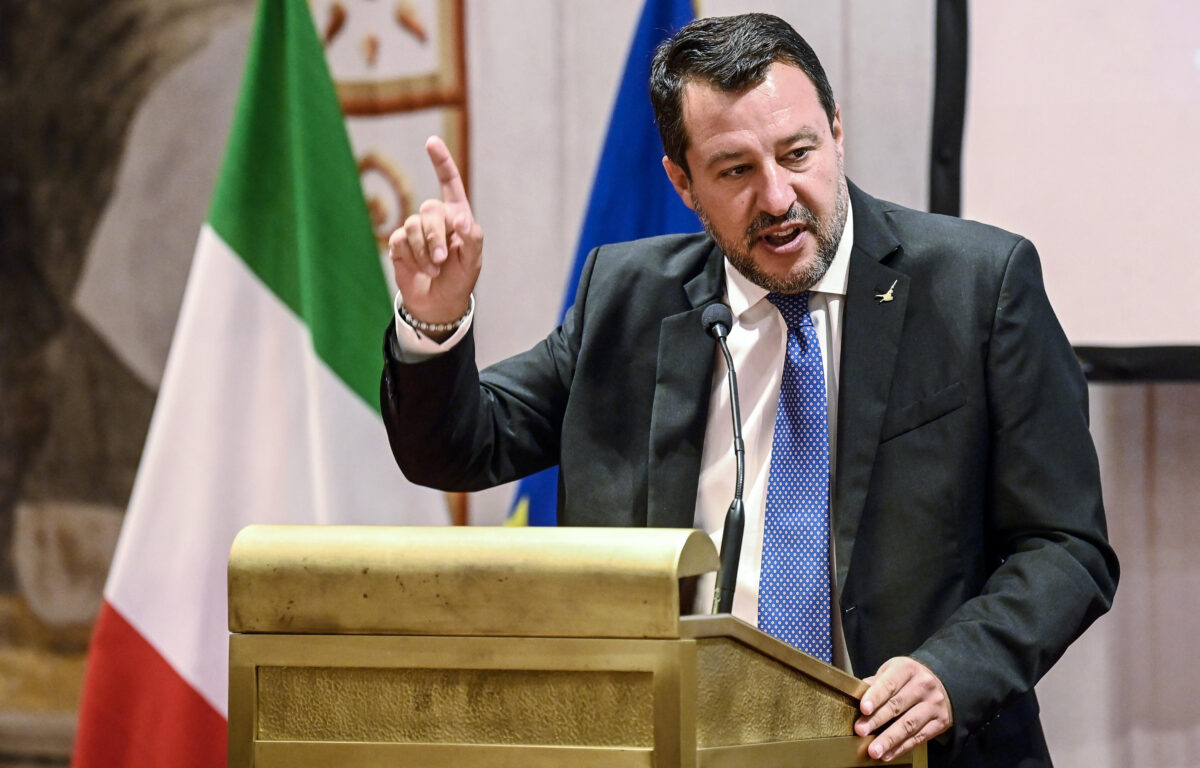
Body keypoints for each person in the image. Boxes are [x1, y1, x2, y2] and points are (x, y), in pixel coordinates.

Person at [380, 13, 1118, 767]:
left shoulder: (976, 288)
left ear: (836, 131)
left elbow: (1066, 545)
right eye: (734, 170)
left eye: (798, 153)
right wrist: (434, 319)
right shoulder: (628, 300)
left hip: (916, 749)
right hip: (690, 744)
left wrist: (951, 673)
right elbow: (458, 448)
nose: (776, 196)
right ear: (682, 182)